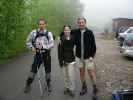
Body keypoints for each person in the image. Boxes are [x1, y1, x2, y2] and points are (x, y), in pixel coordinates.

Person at [24, 18, 54, 93]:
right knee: (33, 69)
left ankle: (48, 84)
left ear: (45, 25)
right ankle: (28, 84)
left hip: (46, 54)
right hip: (37, 54)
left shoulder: (49, 33)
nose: (41, 26)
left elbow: (52, 44)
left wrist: (44, 47)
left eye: (43, 24)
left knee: (48, 70)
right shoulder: (33, 32)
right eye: (40, 24)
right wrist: (31, 48)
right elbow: (28, 41)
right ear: (38, 25)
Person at [72, 17, 98, 96]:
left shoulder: (90, 32)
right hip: (79, 57)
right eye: (79, 22)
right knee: (81, 73)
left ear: (85, 23)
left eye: (82, 22)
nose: (81, 24)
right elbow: (66, 31)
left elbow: (93, 46)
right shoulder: (75, 32)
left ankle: (95, 88)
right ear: (78, 23)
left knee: (91, 73)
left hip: (88, 57)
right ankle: (84, 87)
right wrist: (60, 36)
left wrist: (92, 56)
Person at [58, 25, 76, 97]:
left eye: (68, 29)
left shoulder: (73, 37)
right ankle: (66, 88)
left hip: (71, 60)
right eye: (65, 30)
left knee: (71, 76)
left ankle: (71, 89)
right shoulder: (61, 39)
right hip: (64, 60)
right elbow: (59, 51)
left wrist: (75, 59)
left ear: (70, 30)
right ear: (63, 31)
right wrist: (60, 61)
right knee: (65, 76)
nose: (67, 31)